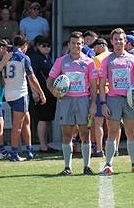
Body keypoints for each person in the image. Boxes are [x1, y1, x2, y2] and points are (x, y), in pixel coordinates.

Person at [47, 31, 97, 175]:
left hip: (83, 101)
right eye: (73, 43)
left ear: (83, 44)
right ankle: (67, 167)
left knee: (85, 134)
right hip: (66, 101)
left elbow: (93, 85)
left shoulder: (89, 62)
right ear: (69, 44)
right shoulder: (61, 61)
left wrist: (94, 103)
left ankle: (86, 166)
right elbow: (50, 80)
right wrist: (53, 91)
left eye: (79, 43)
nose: (76, 46)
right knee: (66, 135)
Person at [99, 28, 134, 175]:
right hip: (113, 99)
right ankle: (108, 164)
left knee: (131, 131)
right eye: (116, 39)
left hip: (130, 100)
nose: (119, 42)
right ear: (111, 41)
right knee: (113, 132)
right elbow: (101, 84)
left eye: (121, 39)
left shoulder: (132, 59)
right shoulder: (107, 60)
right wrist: (103, 103)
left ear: (125, 41)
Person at [2, 36, 46, 161]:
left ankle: (29, 150)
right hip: (20, 94)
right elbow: (32, 78)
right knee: (18, 126)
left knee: (26, 121)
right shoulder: (23, 58)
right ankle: (14, 154)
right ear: (24, 46)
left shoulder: (7, 56)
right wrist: (41, 93)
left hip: (9, 93)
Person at [29, 36, 57, 153]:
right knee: (42, 119)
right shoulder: (36, 58)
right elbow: (31, 76)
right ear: (37, 46)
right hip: (41, 94)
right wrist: (35, 92)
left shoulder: (48, 58)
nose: (46, 48)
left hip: (50, 93)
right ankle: (43, 146)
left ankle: (45, 144)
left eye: (48, 45)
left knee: (47, 119)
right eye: (43, 45)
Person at [91, 38, 110, 157]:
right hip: (113, 93)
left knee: (98, 123)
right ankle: (115, 149)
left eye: (95, 46)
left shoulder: (97, 59)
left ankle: (99, 149)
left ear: (102, 45)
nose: (94, 49)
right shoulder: (114, 56)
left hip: (100, 92)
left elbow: (95, 79)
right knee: (113, 123)